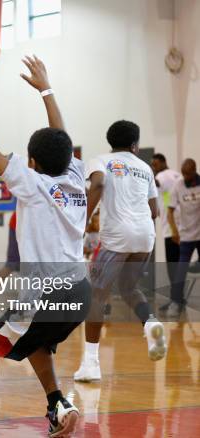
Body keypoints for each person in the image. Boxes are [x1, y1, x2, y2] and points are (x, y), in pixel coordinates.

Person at [0, 56, 91, 438]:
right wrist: (47, 89)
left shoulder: (33, 184)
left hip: (44, 295)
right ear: (68, 157)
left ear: (31, 161)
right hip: (79, 292)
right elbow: (62, 134)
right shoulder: (75, 176)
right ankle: (58, 403)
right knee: (36, 341)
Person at [74, 120, 167, 383]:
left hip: (117, 237)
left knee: (96, 295)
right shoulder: (146, 168)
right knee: (128, 288)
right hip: (146, 236)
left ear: (110, 141)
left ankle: (91, 363)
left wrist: (81, 224)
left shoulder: (100, 160)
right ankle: (150, 324)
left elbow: (99, 185)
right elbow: (155, 211)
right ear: (135, 145)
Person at [151, 153, 183, 314]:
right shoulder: (177, 174)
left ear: (163, 162)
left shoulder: (163, 176)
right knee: (179, 266)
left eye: (155, 165)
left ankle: (175, 300)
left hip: (171, 230)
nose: (153, 168)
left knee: (173, 267)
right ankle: (178, 299)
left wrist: (146, 175)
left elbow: (156, 182)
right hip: (182, 227)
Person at [167, 158, 200, 316]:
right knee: (181, 269)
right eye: (183, 174)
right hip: (186, 234)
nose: (185, 177)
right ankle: (176, 301)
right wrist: (174, 230)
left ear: (194, 171)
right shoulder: (178, 186)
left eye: (188, 174)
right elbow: (170, 211)